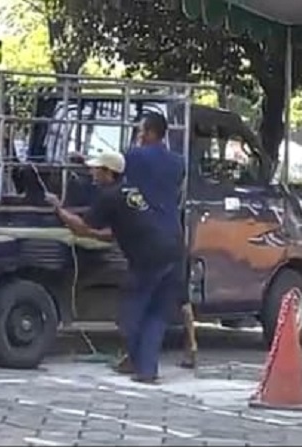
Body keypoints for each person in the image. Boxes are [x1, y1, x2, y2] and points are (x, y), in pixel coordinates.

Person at [46, 152, 183, 383]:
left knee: (131, 316)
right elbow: (113, 233)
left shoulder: (110, 197)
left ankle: (139, 364)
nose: (92, 173)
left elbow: (81, 227)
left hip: (148, 260)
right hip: (172, 252)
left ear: (109, 173)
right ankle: (145, 369)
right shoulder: (131, 191)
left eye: (97, 169)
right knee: (155, 316)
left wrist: (59, 209)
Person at [122, 112, 197, 370]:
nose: (139, 135)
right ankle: (147, 367)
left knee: (136, 305)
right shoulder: (178, 162)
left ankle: (135, 359)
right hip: (173, 237)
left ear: (151, 132)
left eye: (141, 130)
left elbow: (118, 174)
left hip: (147, 239)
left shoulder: (134, 157)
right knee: (158, 310)